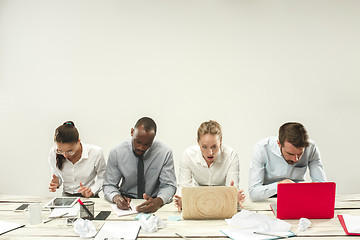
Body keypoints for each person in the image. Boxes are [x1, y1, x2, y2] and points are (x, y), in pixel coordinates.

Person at [103, 117, 177, 213]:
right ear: (132, 132)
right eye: (137, 142)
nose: (141, 148)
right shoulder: (117, 152)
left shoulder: (164, 152)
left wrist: (158, 202)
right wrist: (116, 198)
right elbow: (109, 185)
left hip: (154, 201)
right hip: (127, 202)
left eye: (147, 144)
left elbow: (169, 185)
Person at [174, 120, 245, 211]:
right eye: (204, 147)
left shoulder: (230, 155)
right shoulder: (188, 155)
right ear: (198, 142)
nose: (210, 152)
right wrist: (182, 200)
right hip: (197, 201)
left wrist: (234, 196)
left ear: (221, 141)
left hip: (222, 201)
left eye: (214, 146)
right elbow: (183, 187)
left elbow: (232, 188)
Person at [249, 122, 327, 202]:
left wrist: (313, 188)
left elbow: (322, 186)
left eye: (300, 154)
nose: (295, 159)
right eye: (290, 154)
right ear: (279, 144)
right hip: (268, 200)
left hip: (298, 198)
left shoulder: (311, 148)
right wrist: (280, 186)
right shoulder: (262, 149)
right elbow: (253, 193)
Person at [48, 121, 106, 197]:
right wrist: (56, 183)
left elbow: (103, 177)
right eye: (60, 151)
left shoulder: (95, 152)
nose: (65, 155)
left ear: (78, 141)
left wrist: (92, 191)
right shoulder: (54, 152)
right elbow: (57, 176)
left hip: (89, 196)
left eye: (69, 151)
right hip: (66, 196)